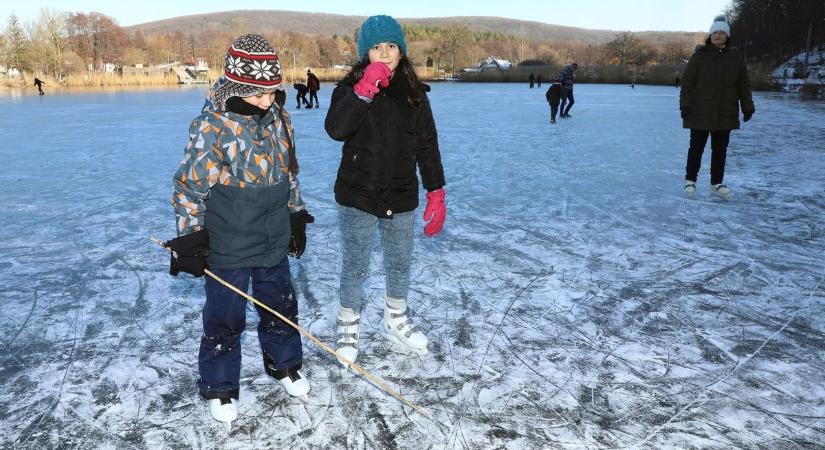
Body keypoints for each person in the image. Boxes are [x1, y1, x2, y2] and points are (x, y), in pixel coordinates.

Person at [167, 34, 315, 429]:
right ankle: (220, 387)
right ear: (238, 86)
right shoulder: (214, 126)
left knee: (281, 306)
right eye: (259, 92)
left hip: (271, 237)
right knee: (224, 319)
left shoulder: (282, 119)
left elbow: (290, 173)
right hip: (228, 243)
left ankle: (284, 365)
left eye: (273, 90)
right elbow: (188, 187)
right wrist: (192, 239)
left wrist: (295, 216)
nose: (269, 99)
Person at [324, 15, 446, 365]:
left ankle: (396, 320)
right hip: (358, 193)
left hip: (401, 192)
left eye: (391, 45)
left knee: (399, 263)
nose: (384, 52)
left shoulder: (416, 96)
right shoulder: (348, 89)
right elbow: (336, 128)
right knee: (355, 265)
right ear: (366, 53)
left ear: (401, 50)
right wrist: (364, 90)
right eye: (376, 47)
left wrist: (436, 190)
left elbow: (427, 145)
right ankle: (348, 324)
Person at [680, 15, 755, 198]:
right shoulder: (700, 56)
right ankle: (691, 181)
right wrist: (685, 105)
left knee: (720, 150)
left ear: (727, 36)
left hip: (725, 111)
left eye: (722, 33)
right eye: (715, 32)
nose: (718, 35)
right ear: (710, 35)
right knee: (696, 147)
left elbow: (743, 84)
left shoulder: (735, 57)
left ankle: (716, 183)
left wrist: (747, 106)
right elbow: (687, 83)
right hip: (700, 110)